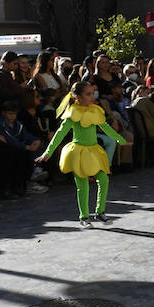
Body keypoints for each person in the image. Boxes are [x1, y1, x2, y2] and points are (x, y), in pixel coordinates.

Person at [36, 81, 129, 225]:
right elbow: (60, 133)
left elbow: (106, 127)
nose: (92, 97)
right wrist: (48, 152)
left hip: (93, 151)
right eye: (88, 94)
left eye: (92, 93)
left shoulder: (95, 111)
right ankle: (84, 217)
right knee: (83, 185)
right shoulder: (73, 113)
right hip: (78, 153)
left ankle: (100, 212)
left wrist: (120, 140)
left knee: (103, 179)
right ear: (78, 97)